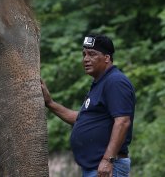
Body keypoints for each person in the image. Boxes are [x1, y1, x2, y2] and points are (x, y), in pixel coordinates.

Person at [41, 34, 136, 177]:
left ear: (107, 58)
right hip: (95, 168)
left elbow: (122, 122)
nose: (86, 59)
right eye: (84, 54)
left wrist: (107, 160)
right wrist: (50, 103)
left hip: (108, 168)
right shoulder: (99, 83)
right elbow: (81, 119)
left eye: (92, 54)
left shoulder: (115, 82)